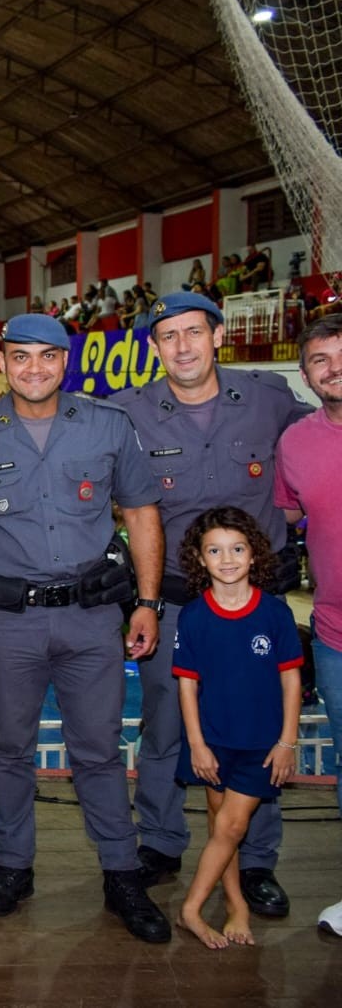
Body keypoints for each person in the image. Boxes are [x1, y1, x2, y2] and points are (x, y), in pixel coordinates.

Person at [0, 313, 172, 943]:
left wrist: (147, 602)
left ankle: (121, 872)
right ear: (2, 363)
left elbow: (142, 515)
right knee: (8, 750)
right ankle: (13, 866)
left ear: (66, 363)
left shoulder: (108, 425)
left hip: (93, 619)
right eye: (21, 357)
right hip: (8, 623)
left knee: (99, 749)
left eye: (47, 357)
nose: (34, 368)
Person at [111, 291, 306, 916]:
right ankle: (163, 844)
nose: (183, 347)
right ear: (155, 347)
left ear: (217, 336)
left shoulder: (270, 397)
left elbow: (321, 440)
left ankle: (255, 861)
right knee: (165, 727)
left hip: (257, 603)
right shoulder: (128, 412)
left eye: (194, 333)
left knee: (260, 727)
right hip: (174, 602)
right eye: (168, 337)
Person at [169, 507, 301, 949]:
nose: (227, 559)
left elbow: (291, 680)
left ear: (254, 554)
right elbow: (186, 686)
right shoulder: (193, 616)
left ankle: (190, 908)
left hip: (261, 745)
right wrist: (197, 745)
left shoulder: (275, 614)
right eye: (215, 550)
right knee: (220, 822)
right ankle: (233, 902)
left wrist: (286, 741)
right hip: (212, 740)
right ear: (199, 558)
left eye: (237, 548)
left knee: (231, 827)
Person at [273, 313, 342, 934]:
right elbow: (292, 515)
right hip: (335, 633)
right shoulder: (296, 443)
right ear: (306, 375)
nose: (334, 368)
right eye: (321, 360)